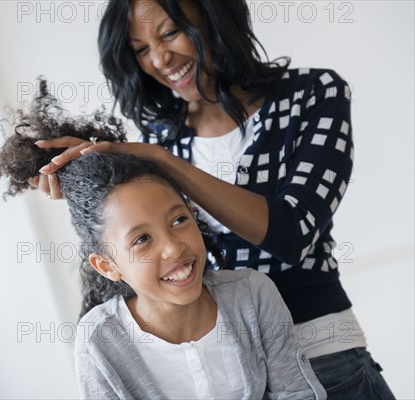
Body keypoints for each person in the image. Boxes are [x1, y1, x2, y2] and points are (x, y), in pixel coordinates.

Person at [31, 0, 395, 398]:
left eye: (170, 33)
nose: (160, 58)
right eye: (141, 49)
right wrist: (83, 177)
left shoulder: (313, 94)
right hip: (235, 370)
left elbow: (293, 232)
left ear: (214, 17)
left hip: (323, 352)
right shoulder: (162, 138)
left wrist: (162, 161)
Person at [0, 83, 326, 398]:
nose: (174, 247)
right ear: (107, 265)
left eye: (179, 220)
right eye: (142, 239)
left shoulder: (251, 296)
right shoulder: (99, 342)